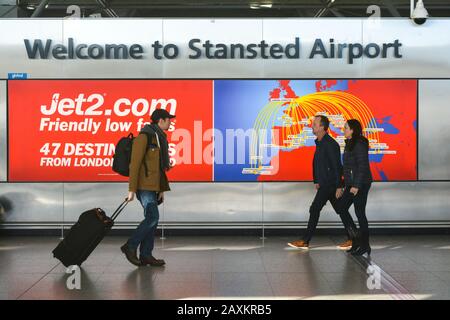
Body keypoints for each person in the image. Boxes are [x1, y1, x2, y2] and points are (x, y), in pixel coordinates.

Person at [288, 115, 357, 249]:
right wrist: (317, 180)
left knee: (314, 209)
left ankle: (305, 241)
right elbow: (318, 164)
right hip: (325, 183)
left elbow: (337, 167)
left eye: (314, 124)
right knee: (341, 210)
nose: (312, 126)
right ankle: (353, 238)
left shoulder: (330, 144)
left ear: (322, 127)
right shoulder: (320, 143)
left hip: (330, 184)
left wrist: (338, 186)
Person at [120, 109, 175, 266]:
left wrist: (162, 189)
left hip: (154, 186)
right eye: (168, 120)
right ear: (161, 121)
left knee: (153, 219)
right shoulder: (144, 137)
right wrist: (131, 190)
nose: (170, 122)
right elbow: (135, 165)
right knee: (153, 217)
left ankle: (146, 255)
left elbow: (158, 167)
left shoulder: (159, 138)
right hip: (143, 186)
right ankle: (130, 246)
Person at [336, 119, 373, 256]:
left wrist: (356, 185)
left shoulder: (359, 144)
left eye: (346, 128)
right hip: (352, 184)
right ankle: (356, 240)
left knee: (360, 213)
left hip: (361, 184)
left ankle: (365, 245)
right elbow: (347, 167)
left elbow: (362, 167)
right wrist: (345, 185)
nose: (343, 130)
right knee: (341, 208)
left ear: (352, 130)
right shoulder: (349, 144)